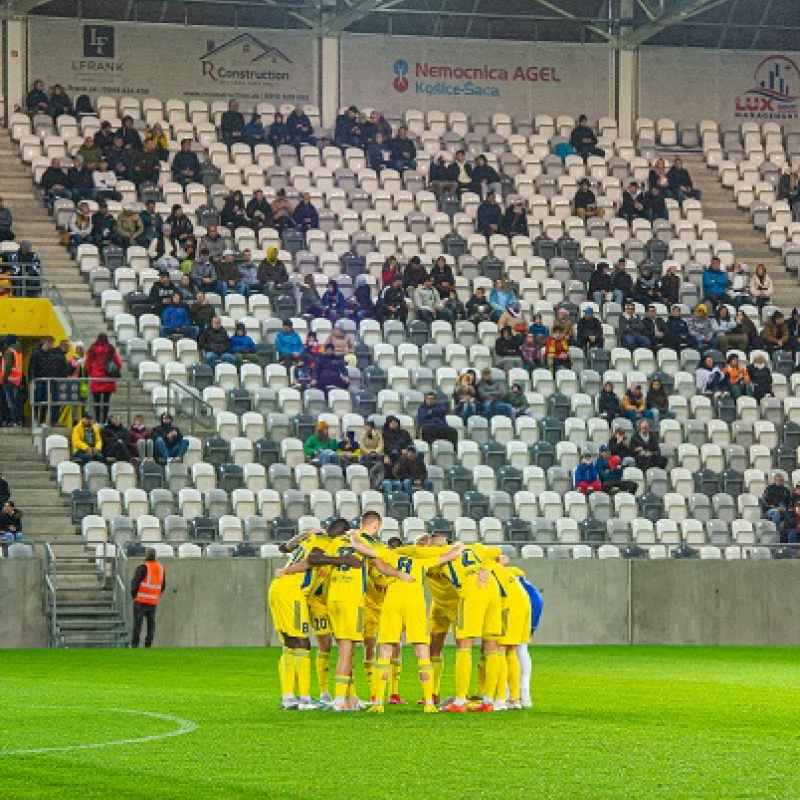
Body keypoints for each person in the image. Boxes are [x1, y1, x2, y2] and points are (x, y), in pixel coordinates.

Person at [349, 531, 462, 714]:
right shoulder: (421, 560)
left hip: (392, 599)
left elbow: (363, 549)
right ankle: (429, 703)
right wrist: (457, 544)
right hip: (414, 602)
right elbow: (453, 554)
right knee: (422, 649)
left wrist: (354, 535)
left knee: (385, 649)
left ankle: (378, 703)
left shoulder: (390, 555)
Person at [130, 548, 165, 648]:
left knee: (137, 624)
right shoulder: (161, 568)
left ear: (146, 555)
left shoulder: (143, 567)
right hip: (153, 601)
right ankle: (148, 644)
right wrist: (156, 595)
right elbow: (162, 585)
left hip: (141, 600)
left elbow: (135, 582)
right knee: (151, 624)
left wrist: (134, 595)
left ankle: (135, 644)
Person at [84, 333, 120, 425]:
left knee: (96, 401)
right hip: (108, 378)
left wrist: (90, 372)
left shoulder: (92, 349)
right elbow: (118, 363)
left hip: (96, 378)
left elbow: (87, 364)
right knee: (106, 401)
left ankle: (97, 420)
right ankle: (104, 420)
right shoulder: (110, 348)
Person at [0, 334, 24, 427]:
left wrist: (4, 378)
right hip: (17, 381)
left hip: (9, 380)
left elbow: (8, 367)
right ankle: (17, 421)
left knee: (9, 402)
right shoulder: (18, 352)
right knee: (15, 401)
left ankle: (12, 421)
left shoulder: (9, 352)